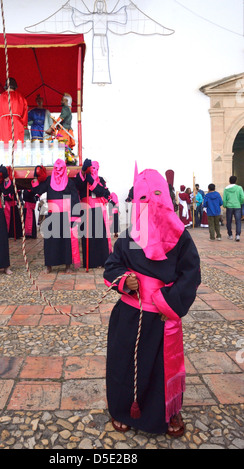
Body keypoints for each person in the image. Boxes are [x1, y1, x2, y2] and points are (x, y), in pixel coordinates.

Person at [103, 167, 201, 437]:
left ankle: (167, 411)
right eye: (144, 197)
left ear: (167, 198)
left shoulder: (182, 238)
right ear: (136, 202)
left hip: (162, 316)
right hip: (129, 316)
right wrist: (124, 280)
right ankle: (123, 409)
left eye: (158, 195)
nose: (151, 202)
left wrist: (166, 301)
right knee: (125, 365)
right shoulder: (127, 238)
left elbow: (190, 274)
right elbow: (111, 267)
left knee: (161, 367)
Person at [30, 160, 81, 273]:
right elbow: (38, 190)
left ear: (65, 169)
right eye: (56, 168)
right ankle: (49, 266)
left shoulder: (69, 182)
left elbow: (75, 200)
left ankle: (67, 265)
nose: (58, 171)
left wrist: (74, 218)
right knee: (50, 241)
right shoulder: (48, 181)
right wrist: (35, 178)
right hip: (52, 215)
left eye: (61, 168)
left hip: (66, 216)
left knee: (66, 242)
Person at [75, 159, 113, 268]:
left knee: (100, 236)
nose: (93, 170)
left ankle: (103, 261)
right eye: (91, 168)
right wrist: (83, 173)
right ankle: (91, 262)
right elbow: (78, 185)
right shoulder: (83, 178)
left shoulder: (100, 180)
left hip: (98, 209)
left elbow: (103, 192)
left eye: (95, 168)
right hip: (85, 209)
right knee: (88, 237)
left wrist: (92, 181)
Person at [0, 77, 28, 144]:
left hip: (3, 122)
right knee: (17, 144)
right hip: (16, 121)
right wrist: (24, 125)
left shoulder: (0, 97)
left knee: (5, 143)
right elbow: (25, 113)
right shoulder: (20, 97)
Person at [0, 165, 22, 240]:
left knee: (15, 218)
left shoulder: (13, 181)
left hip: (13, 203)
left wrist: (12, 195)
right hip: (6, 203)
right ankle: (8, 233)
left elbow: (18, 192)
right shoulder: (1, 183)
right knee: (7, 219)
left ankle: (16, 234)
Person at [223, 176, 244, 242]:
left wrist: (225, 205)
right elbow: (242, 197)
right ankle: (237, 235)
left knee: (229, 221)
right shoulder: (239, 188)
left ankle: (230, 235)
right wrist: (240, 203)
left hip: (229, 206)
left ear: (229, 181)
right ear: (236, 180)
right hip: (237, 206)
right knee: (238, 221)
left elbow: (224, 199)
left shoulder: (226, 189)